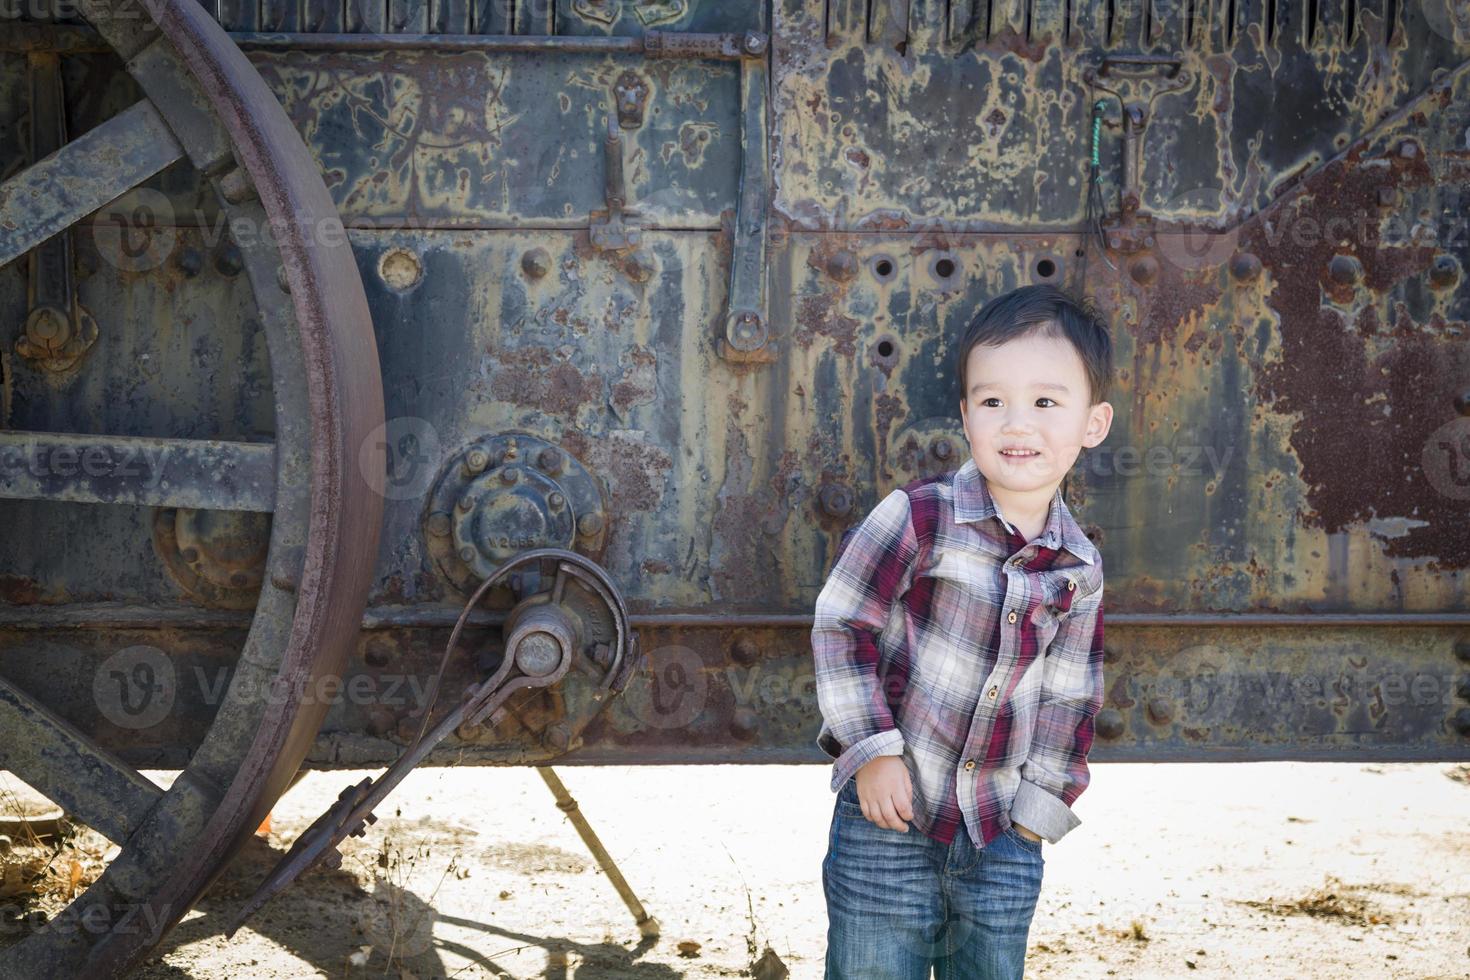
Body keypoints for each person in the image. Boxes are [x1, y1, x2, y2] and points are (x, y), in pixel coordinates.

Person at [812, 284, 1115, 979]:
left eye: (1045, 402)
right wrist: (871, 750)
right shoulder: (919, 518)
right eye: (992, 402)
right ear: (965, 416)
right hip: (889, 817)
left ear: (1091, 423)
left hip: (1002, 831)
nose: (1018, 424)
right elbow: (841, 625)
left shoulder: (1079, 568)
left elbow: (1071, 699)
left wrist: (1042, 810)